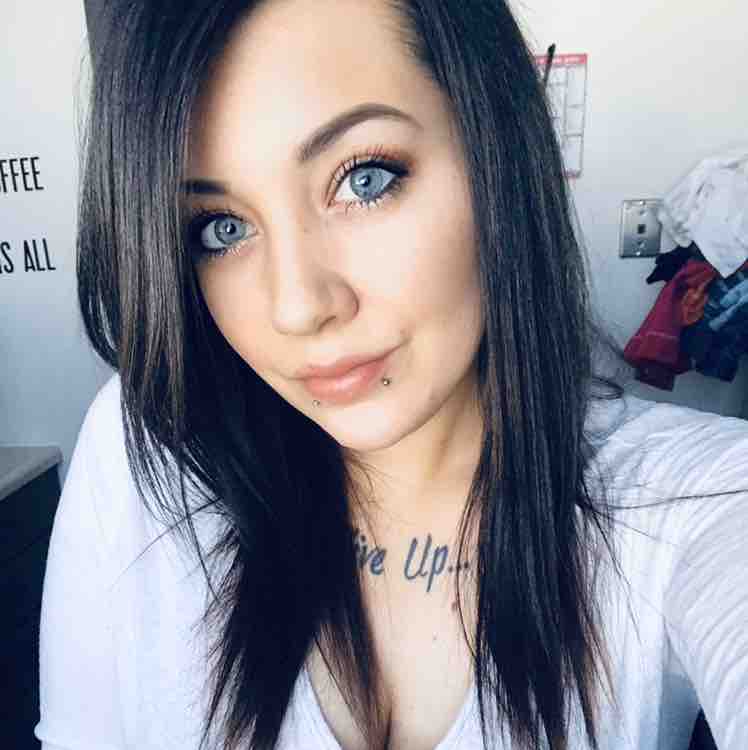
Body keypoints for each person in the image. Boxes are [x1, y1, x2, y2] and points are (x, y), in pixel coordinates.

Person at [36, 1, 748, 749]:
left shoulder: (693, 501)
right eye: (222, 228)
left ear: (495, 149)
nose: (297, 307)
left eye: (364, 179)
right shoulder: (149, 445)